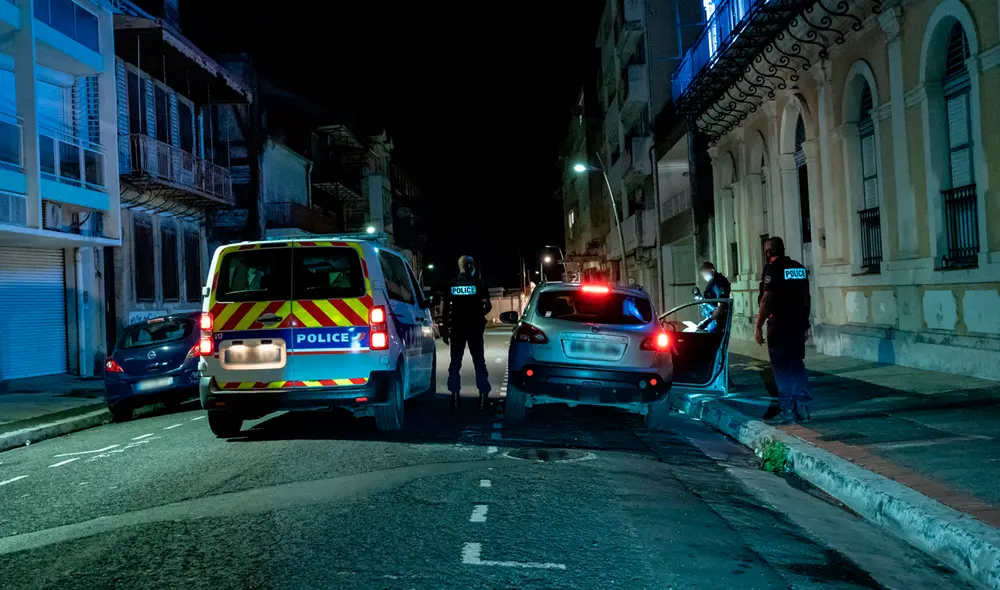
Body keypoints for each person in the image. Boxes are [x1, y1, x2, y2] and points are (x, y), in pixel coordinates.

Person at [755, 236, 812, 424]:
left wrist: (758, 326)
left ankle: (787, 409)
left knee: (781, 368)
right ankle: (803, 407)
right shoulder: (798, 268)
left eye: (766, 249)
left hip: (779, 326)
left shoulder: (773, 269)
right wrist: (805, 322)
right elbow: (806, 298)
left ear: (769, 251)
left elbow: (767, 299)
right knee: (796, 364)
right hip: (797, 325)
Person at [442, 255, 492, 410]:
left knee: (455, 363)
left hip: (457, 329)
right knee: (479, 362)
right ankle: (483, 397)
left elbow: (445, 309)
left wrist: (445, 330)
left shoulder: (451, 284)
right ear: (470, 266)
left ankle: (455, 397)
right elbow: (488, 306)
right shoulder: (478, 283)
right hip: (474, 329)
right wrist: (479, 312)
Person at [696, 262, 730, 332]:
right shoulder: (713, 281)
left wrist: (707, 322)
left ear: (712, 271)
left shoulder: (719, 282)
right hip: (713, 319)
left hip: (717, 321)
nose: (704, 277)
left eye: (705, 274)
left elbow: (721, 306)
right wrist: (706, 320)